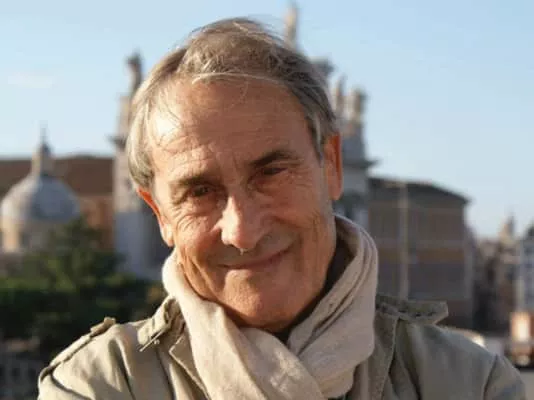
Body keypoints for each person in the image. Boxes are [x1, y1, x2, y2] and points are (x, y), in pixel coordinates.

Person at [38, 18, 524, 399]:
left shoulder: (472, 384)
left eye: (271, 172)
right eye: (200, 192)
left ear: (331, 166)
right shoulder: (93, 387)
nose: (243, 230)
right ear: (160, 214)